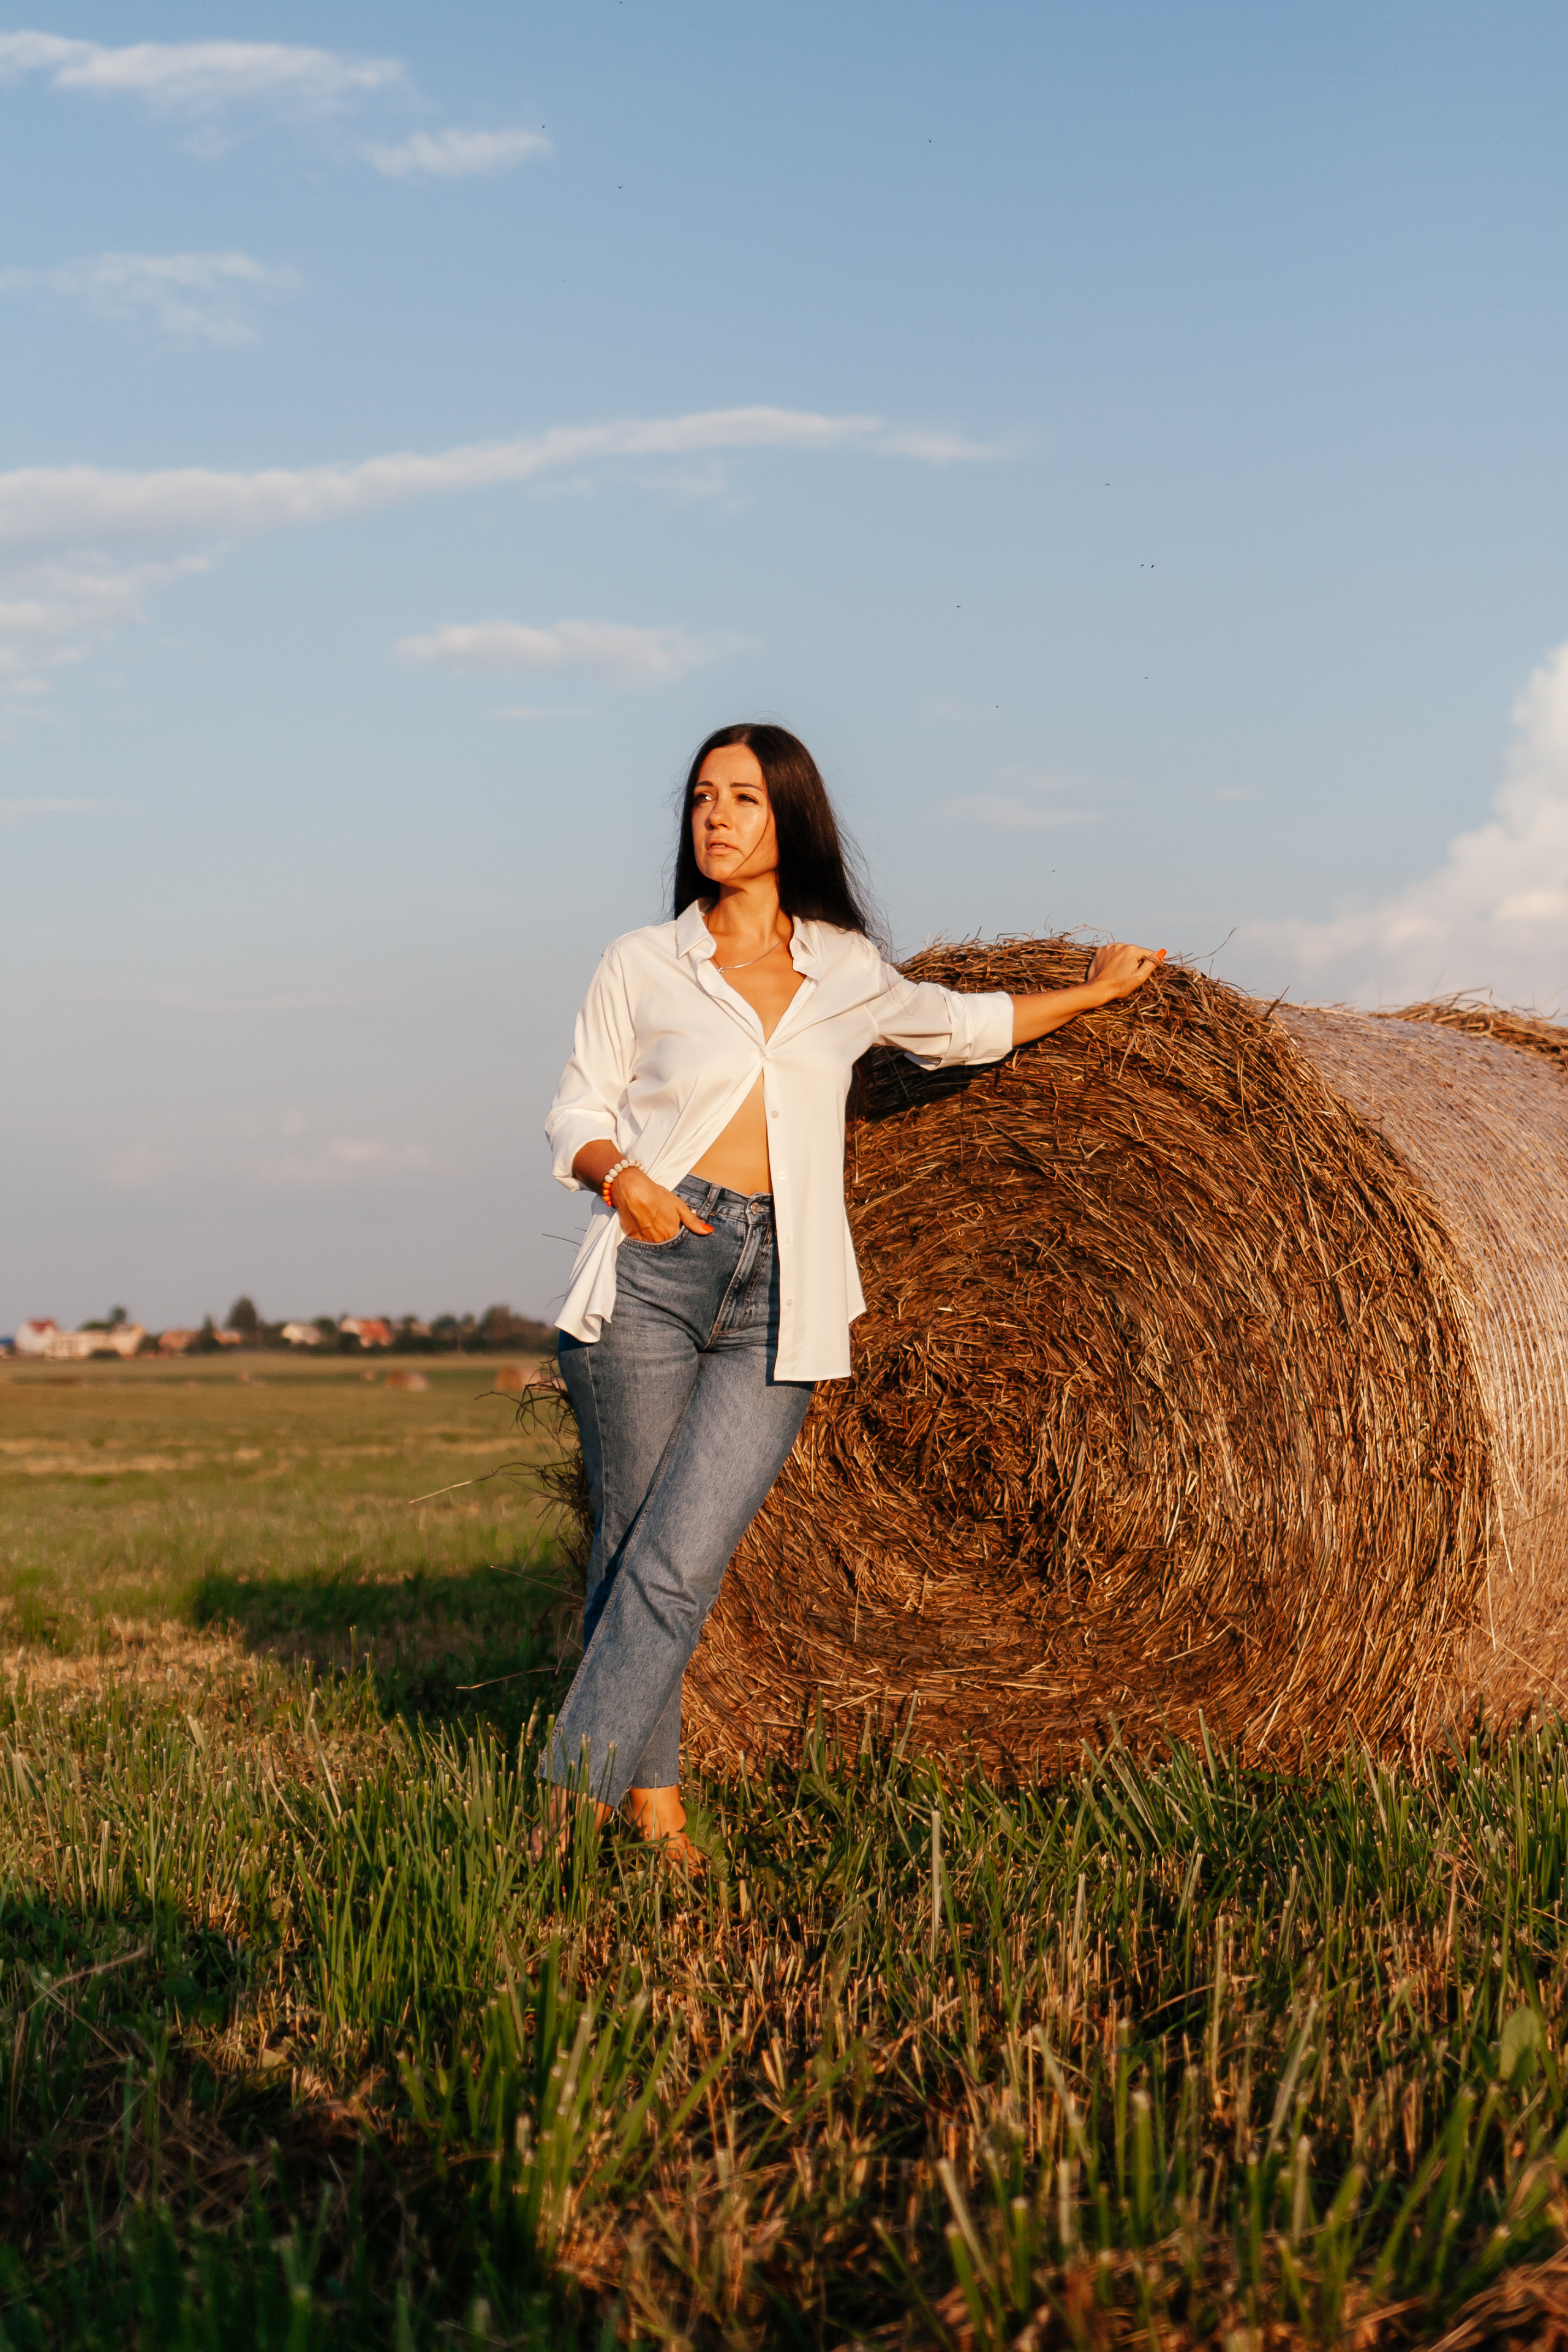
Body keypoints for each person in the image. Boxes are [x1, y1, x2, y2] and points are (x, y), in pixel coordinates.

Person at [540, 722, 1163, 1864]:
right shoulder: (642, 962)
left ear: (790, 819)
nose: (716, 818)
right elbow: (574, 1111)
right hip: (653, 1264)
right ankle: (643, 1806)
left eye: (743, 799)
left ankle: (569, 1805)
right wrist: (622, 1178)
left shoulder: (843, 971)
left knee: (680, 1560)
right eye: (701, 800)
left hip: (788, 1289)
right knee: (633, 1552)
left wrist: (1090, 998)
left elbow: (960, 1028)